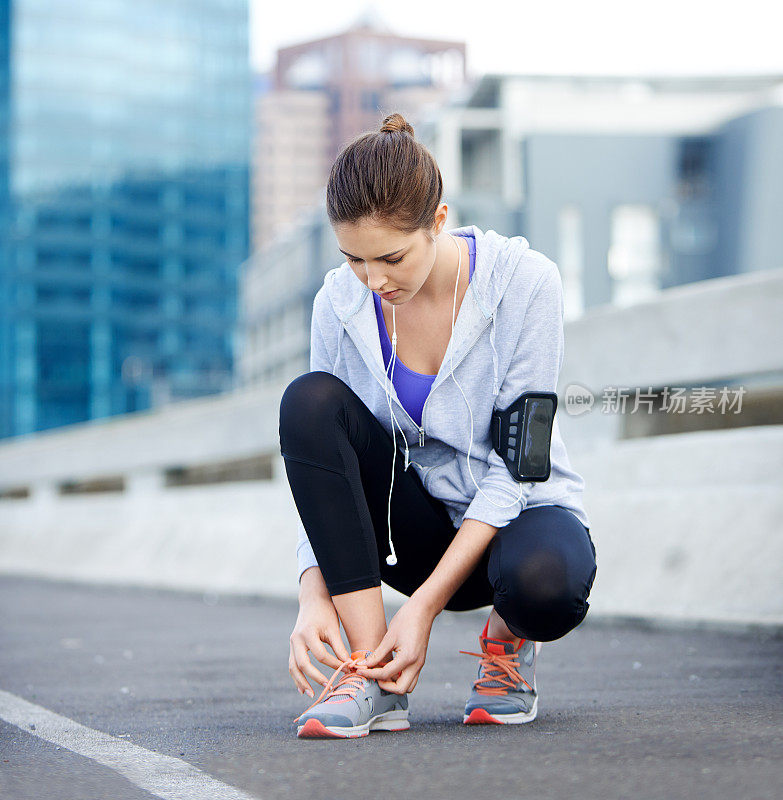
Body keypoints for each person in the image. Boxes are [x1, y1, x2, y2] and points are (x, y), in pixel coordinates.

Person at [279, 112, 597, 739]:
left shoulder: (524, 284)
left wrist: (422, 610)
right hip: (411, 531)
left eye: (391, 258)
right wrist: (311, 593)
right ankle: (373, 674)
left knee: (547, 584)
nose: (375, 281)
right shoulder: (338, 305)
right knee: (308, 401)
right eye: (354, 259)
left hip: (513, 520)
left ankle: (507, 645)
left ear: (440, 221)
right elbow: (326, 468)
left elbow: (521, 464)